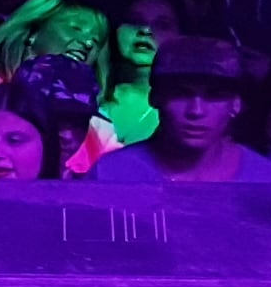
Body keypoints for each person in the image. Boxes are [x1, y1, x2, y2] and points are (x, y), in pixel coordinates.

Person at [93, 36, 259, 186]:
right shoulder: (110, 175)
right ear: (155, 98)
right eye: (180, 94)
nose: (196, 111)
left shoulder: (267, 181)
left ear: (236, 104)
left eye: (214, 96)